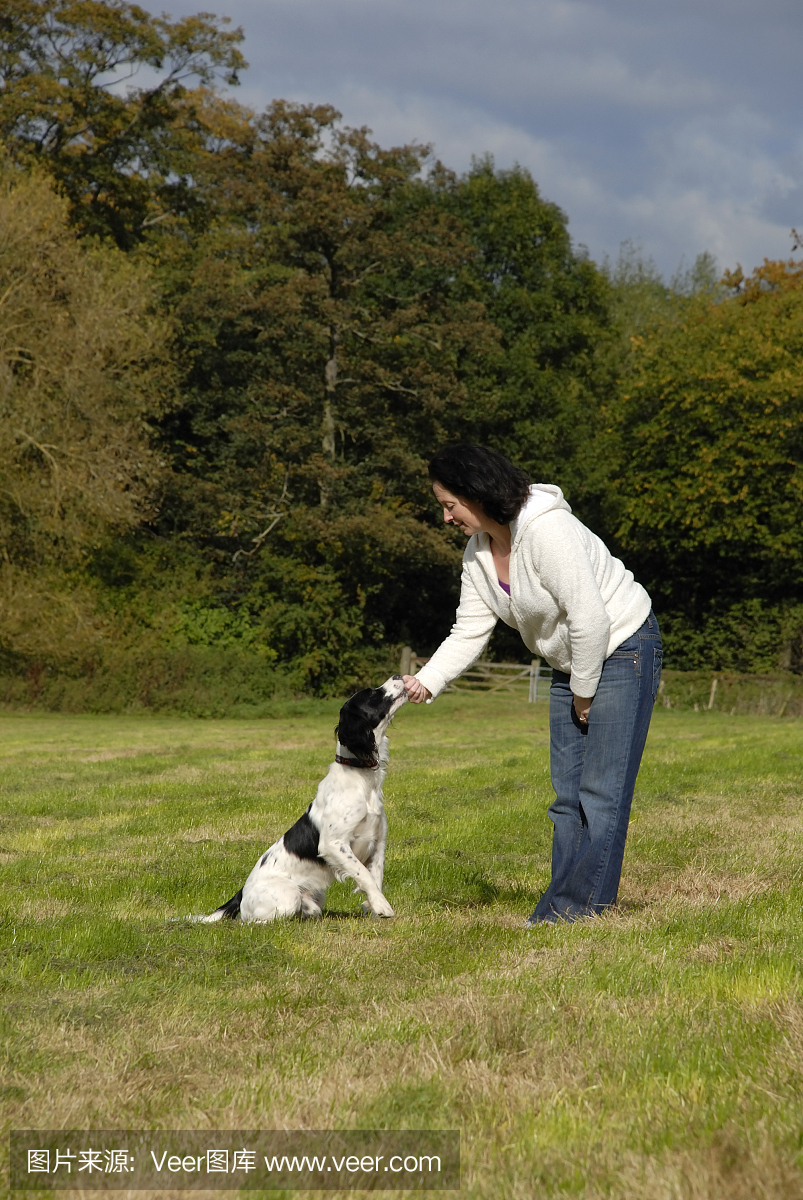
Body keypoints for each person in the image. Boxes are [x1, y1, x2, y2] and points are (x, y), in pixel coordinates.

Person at [403, 443, 662, 924]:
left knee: (602, 793)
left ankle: (575, 910)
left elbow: (590, 618)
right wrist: (426, 680)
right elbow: (468, 630)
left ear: (475, 494)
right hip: (572, 662)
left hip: (623, 647)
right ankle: (567, 904)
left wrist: (584, 692)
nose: (446, 517)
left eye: (449, 505)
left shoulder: (547, 529)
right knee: (567, 798)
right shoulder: (478, 553)